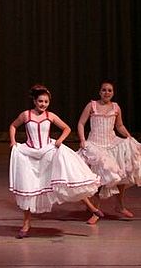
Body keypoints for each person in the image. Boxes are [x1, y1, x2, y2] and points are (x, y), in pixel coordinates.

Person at [9, 84, 100, 238]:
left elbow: (67, 128)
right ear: (35, 101)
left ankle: (92, 208)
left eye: (46, 102)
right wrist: (12, 141)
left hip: (48, 152)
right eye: (40, 101)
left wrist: (60, 141)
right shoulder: (26, 115)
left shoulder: (50, 116)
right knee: (29, 188)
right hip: (30, 153)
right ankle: (26, 223)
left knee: (68, 178)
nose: (43, 104)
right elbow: (13, 125)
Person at [77, 80, 141, 224]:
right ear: (100, 92)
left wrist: (129, 137)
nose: (107, 93)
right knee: (100, 179)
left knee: (122, 173)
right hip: (95, 144)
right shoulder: (92, 105)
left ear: (113, 93)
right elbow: (81, 123)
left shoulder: (116, 107)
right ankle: (96, 211)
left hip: (111, 143)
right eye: (104, 90)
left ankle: (119, 205)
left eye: (109, 90)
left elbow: (119, 125)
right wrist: (82, 139)